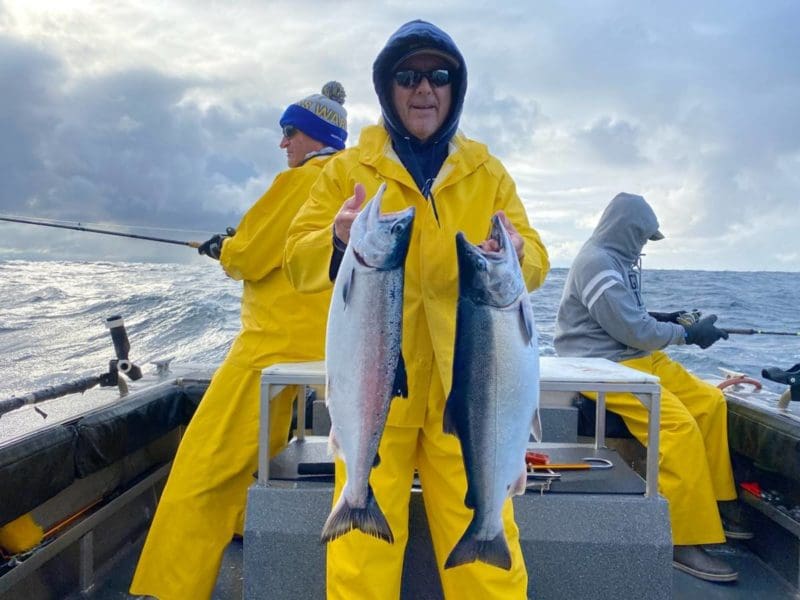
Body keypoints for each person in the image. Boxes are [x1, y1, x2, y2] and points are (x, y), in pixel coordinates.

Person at [284, 20, 549, 600]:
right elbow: (296, 262)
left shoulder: (487, 172)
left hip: (470, 394)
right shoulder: (348, 171)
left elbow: (535, 262)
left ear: (456, 88)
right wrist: (337, 238)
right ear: (387, 88)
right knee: (360, 560)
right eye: (407, 76)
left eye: (439, 76)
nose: (424, 88)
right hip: (375, 392)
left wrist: (519, 253)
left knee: (488, 561)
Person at [129, 82, 348, 600]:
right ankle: (245, 534)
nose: (283, 143)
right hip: (326, 348)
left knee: (203, 468)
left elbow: (249, 255)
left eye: (290, 131)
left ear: (315, 135)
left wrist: (224, 248)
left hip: (270, 348)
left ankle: (166, 589)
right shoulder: (350, 181)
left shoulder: (300, 181)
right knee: (253, 457)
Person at [553, 192, 747, 583]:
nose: (643, 244)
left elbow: (629, 316)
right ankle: (681, 538)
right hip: (602, 364)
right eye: (642, 236)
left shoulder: (617, 262)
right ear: (627, 230)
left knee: (710, 402)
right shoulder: (597, 263)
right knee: (676, 428)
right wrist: (688, 334)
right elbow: (633, 329)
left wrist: (670, 318)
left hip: (635, 357)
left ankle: (717, 504)